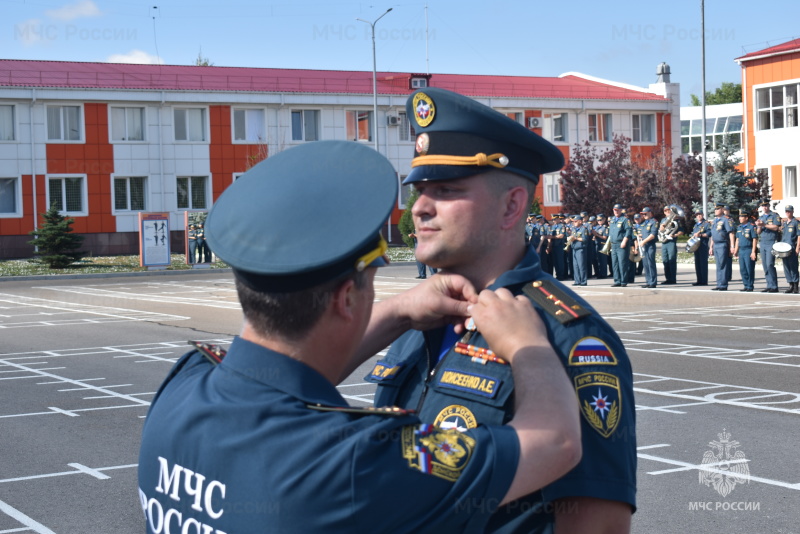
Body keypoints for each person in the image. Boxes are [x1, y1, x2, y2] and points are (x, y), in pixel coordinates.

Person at [137, 140, 582, 534]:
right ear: (347, 298)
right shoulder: (357, 461)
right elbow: (555, 442)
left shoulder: (184, 387)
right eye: (372, 283)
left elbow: (291, 365)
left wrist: (398, 312)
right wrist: (529, 346)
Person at [355, 88, 636, 533]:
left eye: (446, 189)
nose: (420, 208)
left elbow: (597, 523)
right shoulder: (418, 319)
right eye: (420, 189)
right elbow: (289, 376)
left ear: (511, 206)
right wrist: (397, 312)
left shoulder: (568, 336)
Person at [756, 200, 781, 293]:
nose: (765, 207)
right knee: (765, 265)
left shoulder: (774, 215)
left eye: (766, 205)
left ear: (769, 206)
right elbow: (758, 232)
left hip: (771, 242)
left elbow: (776, 227)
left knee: (770, 264)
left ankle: (774, 286)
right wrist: (759, 226)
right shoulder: (761, 217)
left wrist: (764, 225)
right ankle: (769, 285)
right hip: (763, 242)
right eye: (763, 206)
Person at [709, 202, 735, 291]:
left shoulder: (726, 220)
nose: (715, 210)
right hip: (716, 244)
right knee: (718, 265)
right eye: (715, 209)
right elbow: (713, 234)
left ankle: (723, 284)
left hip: (723, 244)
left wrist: (732, 246)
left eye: (717, 209)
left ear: (722, 210)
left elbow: (731, 233)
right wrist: (711, 246)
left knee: (723, 265)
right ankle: (719, 283)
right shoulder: (715, 221)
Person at [609, 203, 634, 287]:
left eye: (617, 210)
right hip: (614, 244)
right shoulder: (612, 219)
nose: (616, 212)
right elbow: (611, 232)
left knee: (622, 263)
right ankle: (617, 280)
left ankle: (623, 281)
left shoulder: (625, 219)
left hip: (621, 243)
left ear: (621, 210)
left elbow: (629, 231)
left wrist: (624, 241)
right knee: (615, 263)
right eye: (614, 210)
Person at [659, 205, 684, 285]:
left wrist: (674, 235)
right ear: (664, 212)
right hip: (664, 242)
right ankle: (667, 278)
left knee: (672, 260)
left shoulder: (676, 220)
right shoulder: (663, 220)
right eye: (666, 211)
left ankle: (672, 279)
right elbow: (661, 230)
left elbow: (681, 231)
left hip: (671, 242)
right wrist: (662, 226)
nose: (667, 212)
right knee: (665, 261)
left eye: (669, 210)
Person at [734, 210, 758, 292]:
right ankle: (745, 285)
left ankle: (750, 286)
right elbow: (737, 239)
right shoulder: (739, 227)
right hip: (741, 250)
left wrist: (753, 251)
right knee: (742, 269)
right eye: (740, 217)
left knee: (749, 268)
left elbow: (755, 239)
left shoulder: (751, 226)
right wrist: (736, 250)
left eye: (742, 217)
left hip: (748, 249)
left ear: (746, 218)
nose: (740, 218)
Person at [780, 205, 799, 293]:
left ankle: (795, 285)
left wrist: (798, 248)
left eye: (789, 211)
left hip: (792, 247)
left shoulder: (796, 222)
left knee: (793, 266)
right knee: (786, 266)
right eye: (787, 211)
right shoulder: (784, 223)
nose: (788, 213)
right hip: (784, 248)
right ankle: (790, 284)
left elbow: (799, 236)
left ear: (792, 212)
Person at [638, 207, 658, 288]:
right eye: (643, 214)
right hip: (644, 246)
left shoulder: (654, 222)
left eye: (645, 213)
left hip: (650, 245)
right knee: (645, 264)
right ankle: (648, 281)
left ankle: (653, 282)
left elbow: (652, 235)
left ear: (650, 213)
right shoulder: (643, 223)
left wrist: (644, 241)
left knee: (650, 263)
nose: (644, 215)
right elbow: (642, 233)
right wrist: (640, 236)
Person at [691, 210, 711, 286]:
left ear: (702, 215)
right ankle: (699, 280)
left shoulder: (706, 224)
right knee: (697, 264)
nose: (698, 216)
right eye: (697, 215)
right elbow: (693, 234)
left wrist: (701, 235)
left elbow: (709, 233)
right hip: (696, 246)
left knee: (703, 264)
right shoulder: (696, 225)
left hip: (703, 245)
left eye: (700, 214)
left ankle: (704, 281)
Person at [570, 214, 588, 286]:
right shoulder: (574, 229)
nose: (574, 222)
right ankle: (577, 281)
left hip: (581, 249)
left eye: (576, 221)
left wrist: (576, 238)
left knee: (581, 265)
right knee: (575, 266)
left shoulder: (584, 229)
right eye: (573, 221)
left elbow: (585, 239)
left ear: (580, 221)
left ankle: (583, 281)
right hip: (574, 248)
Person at [593, 214, 610, 279]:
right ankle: (599, 273)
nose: (599, 221)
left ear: (604, 219)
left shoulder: (605, 228)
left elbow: (604, 237)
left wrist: (596, 235)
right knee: (598, 260)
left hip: (602, 245)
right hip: (597, 244)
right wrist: (594, 237)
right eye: (598, 220)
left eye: (600, 220)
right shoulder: (597, 227)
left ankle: (604, 274)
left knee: (603, 260)